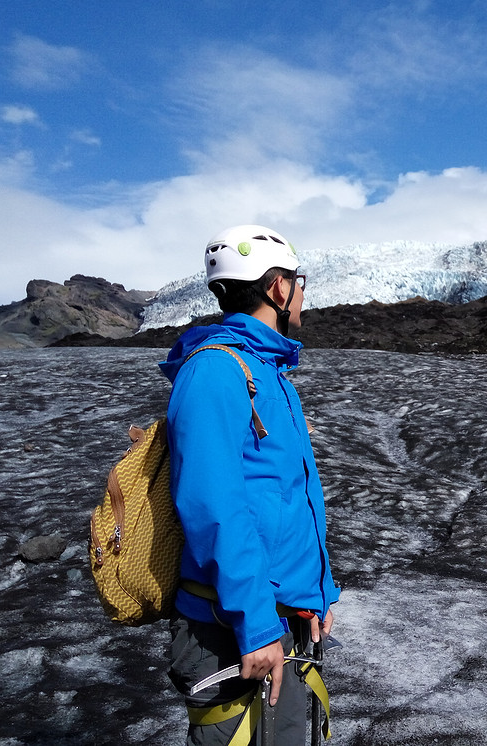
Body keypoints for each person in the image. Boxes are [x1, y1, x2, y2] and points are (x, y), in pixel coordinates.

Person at [159, 224, 339, 745]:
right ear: (277, 287)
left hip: (277, 614)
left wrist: (314, 595)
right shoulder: (217, 371)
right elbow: (215, 508)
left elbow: (279, 497)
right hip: (232, 626)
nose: (302, 292)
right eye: (297, 280)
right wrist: (256, 623)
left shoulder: (268, 372)